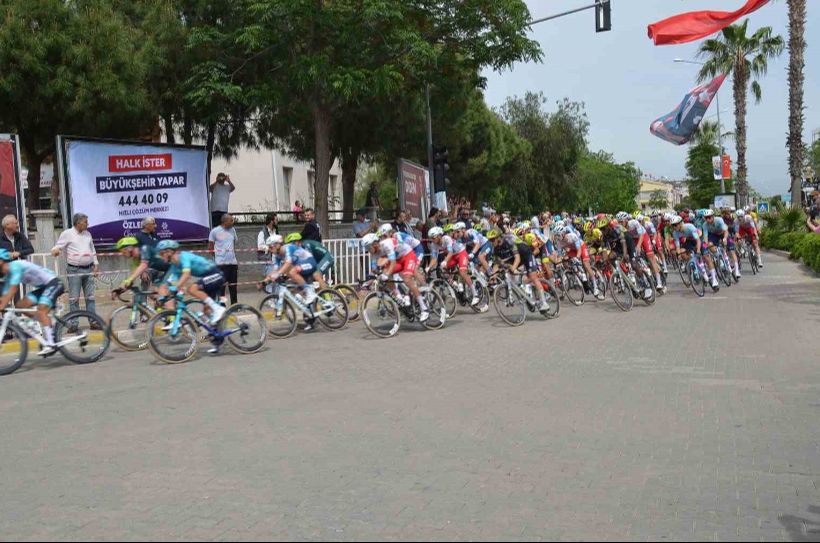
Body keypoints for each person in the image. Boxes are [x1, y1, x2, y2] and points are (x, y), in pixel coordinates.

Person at [0, 250, 65, 355]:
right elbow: (4, 296)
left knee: (41, 310)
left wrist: (2, 306)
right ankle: (43, 323)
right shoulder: (8, 275)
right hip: (43, 288)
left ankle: (51, 343)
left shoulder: (15, 266)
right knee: (20, 305)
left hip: (53, 283)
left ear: (1, 261)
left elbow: (13, 289)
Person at [361, 231, 429, 321]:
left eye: (368, 247)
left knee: (407, 278)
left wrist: (387, 274)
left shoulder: (386, 244)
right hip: (399, 260)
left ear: (375, 243)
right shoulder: (374, 253)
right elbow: (374, 269)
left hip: (408, 256)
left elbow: (392, 263)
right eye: (366, 248)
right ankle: (401, 299)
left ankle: (424, 308)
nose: (368, 250)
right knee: (384, 275)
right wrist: (369, 280)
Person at [51, 213, 99, 325]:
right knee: (74, 298)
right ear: (78, 223)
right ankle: (74, 323)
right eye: (85, 222)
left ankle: (93, 322)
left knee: (90, 297)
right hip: (74, 270)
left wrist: (96, 264)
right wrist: (56, 251)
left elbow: (92, 250)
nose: (88, 224)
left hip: (89, 269)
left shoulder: (88, 234)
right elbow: (57, 247)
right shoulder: (67, 234)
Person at [209, 213, 239, 305]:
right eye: (231, 220)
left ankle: (234, 304)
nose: (233, 222)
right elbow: (210, 248)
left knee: (233, 286)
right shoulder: (215, 231)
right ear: (225, 222)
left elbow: (234, 243)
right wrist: (219, 257)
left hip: (233, 263)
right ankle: (222, 305)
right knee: (222, 287)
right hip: (221, 264)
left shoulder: (232, 230)